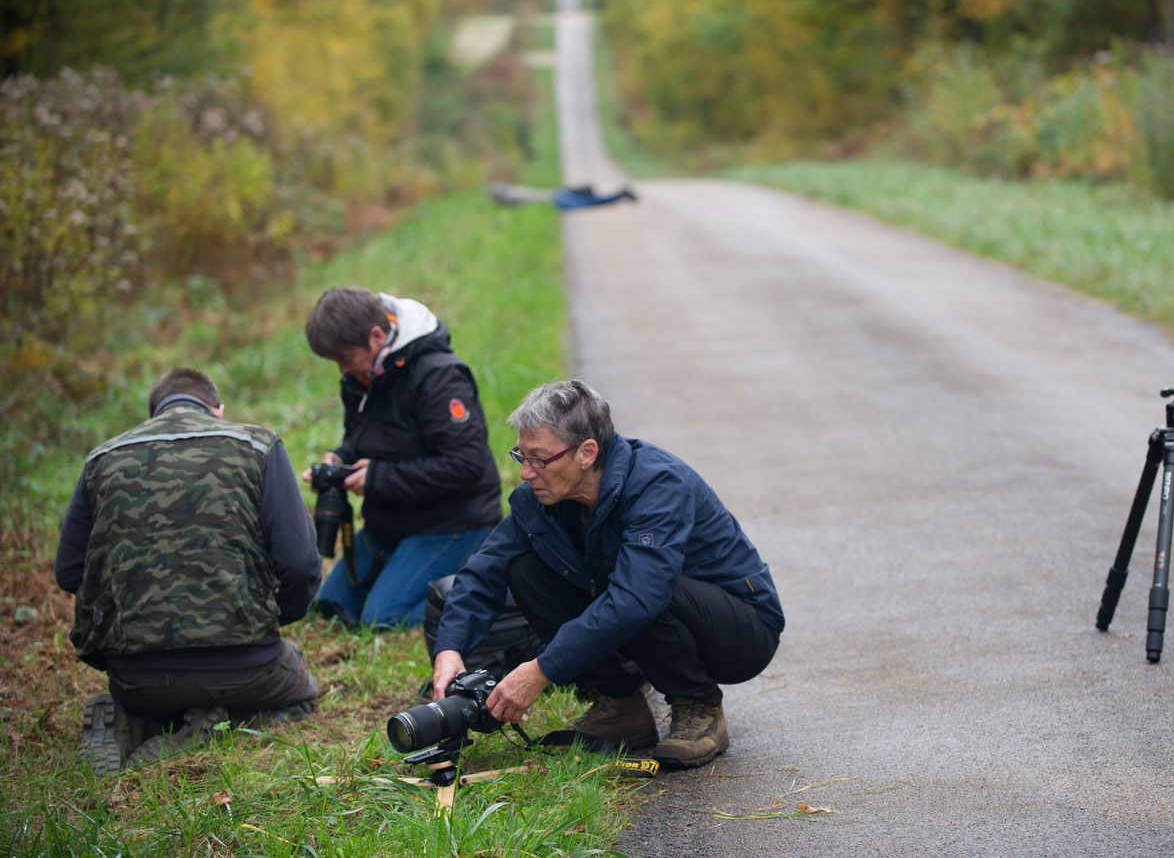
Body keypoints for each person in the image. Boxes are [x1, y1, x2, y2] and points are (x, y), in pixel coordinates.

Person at [431, 380, 784, 770]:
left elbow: (638, 598)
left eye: (539, 459)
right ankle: (620, 706)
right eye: (521, 456)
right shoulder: (546, 497)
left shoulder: (657, 484)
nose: (525, 474)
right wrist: (450, 649)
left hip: (740, 630)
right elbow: (484, 569)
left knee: (641, 587)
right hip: (657, 609)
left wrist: (541, 670)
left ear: (587, 452)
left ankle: (698, 706)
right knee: (524, 569)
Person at [55, 367, 322, 775]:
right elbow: (301, 565)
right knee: (302, 692)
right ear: (219, 411)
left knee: (151, 695)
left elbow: (69, 572)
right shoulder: (259, 447)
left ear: (153, 414)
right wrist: (271, 617)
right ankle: (211, 729)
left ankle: (134, 723)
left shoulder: (102, 459)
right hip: (246, 669)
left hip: (135, 679)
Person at [304, 287, 502, 629]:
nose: (342, 368)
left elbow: (467, 465)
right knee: (330, 608)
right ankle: (408, 573)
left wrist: (378, 477)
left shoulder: (439, 376)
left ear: (377, 337)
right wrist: (341, 457)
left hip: (453, 523)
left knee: (383, 618)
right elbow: (363, 433)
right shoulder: (363, 375)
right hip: (390, 520)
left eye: (345, 357)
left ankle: (495, 599)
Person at [490, 181, 638, 210]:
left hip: (556, 200)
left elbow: (503, 197)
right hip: (556, 196)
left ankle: (620, 194)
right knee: (592, 202)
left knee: (591, 203)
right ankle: (620, 194)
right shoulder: (516, 189)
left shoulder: (512, 196)